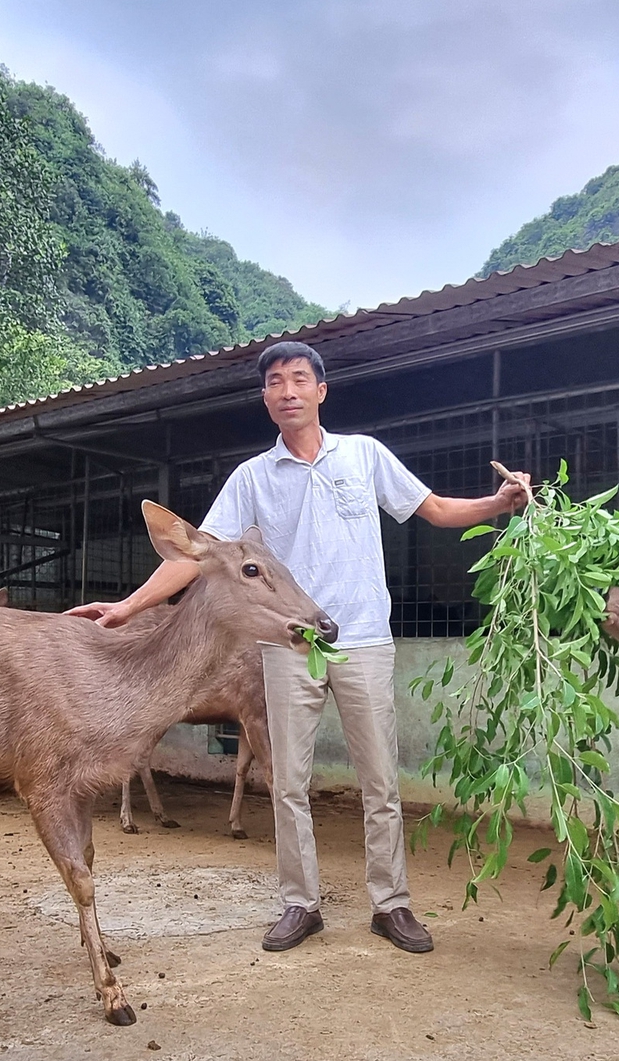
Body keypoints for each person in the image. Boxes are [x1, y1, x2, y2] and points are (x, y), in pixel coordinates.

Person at [67, 341, 530, 954]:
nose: (288, 391)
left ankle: (391, 905)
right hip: (290, 645)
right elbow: (198, 556)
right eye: (276, 382)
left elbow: (439, 510)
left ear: (320, 391)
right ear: (265, 398)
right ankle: (299, 904)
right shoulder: (252, 477)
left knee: (380, 784)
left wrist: (499, 504)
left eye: (299, 380)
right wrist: (128, 608)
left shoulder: (364, 457)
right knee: (287, 783)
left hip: (363, 639)